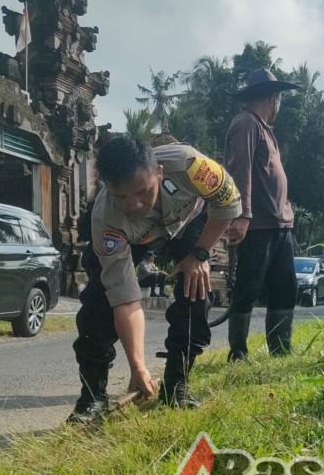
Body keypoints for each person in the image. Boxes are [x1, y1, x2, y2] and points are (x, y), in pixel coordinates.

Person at [68, 135, 241, 423]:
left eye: (143, 191)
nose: (134, 204)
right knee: (99, 303)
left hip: (188, 224)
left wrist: (199, 254)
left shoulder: (192, 166)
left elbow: (227, 202)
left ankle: (176, 384)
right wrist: (138, 367)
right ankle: (92, 397)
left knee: (195, 289)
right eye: (121, 196)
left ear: (159, 173)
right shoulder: (106, 219)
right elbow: (125, 299)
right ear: (107, 187)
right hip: (134, 238)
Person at [223, 69, 301, 361]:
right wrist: (242, 215)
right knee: (248, 287)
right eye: (279, 98)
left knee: (285, 287)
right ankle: (238, 352)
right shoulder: (246, 124)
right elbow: (239, 169)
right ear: (273, 97)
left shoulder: (264, 128)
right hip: (258, 225)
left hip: (280, 223)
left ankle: (280, 349)